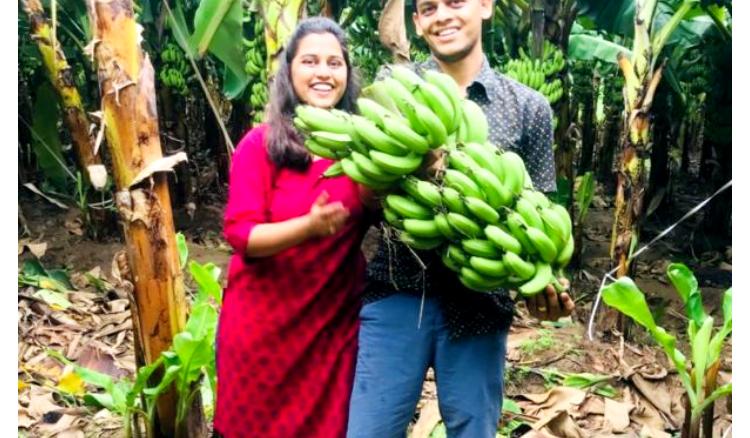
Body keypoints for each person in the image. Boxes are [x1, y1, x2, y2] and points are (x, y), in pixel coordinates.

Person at [346, 0, 576, 436]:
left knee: (473, 429)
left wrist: (541, 284)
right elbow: (364, 194)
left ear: (486, 7)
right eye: (428, 8)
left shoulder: (529, 107)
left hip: (480, 302)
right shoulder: (395, 87)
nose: (442, 16)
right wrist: (417, 164)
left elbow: (539, 213)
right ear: (416, 22)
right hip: (397, 290)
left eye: (455, 2)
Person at [213, 17, 374, 438]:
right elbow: (242, 236)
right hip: (262, 329)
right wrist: (308, 226)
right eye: (310, 61)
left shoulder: (365, 150)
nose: (323, 72)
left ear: (347, 75)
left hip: (329, 329)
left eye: (335, 63)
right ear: (289, 72)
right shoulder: (261, 144)